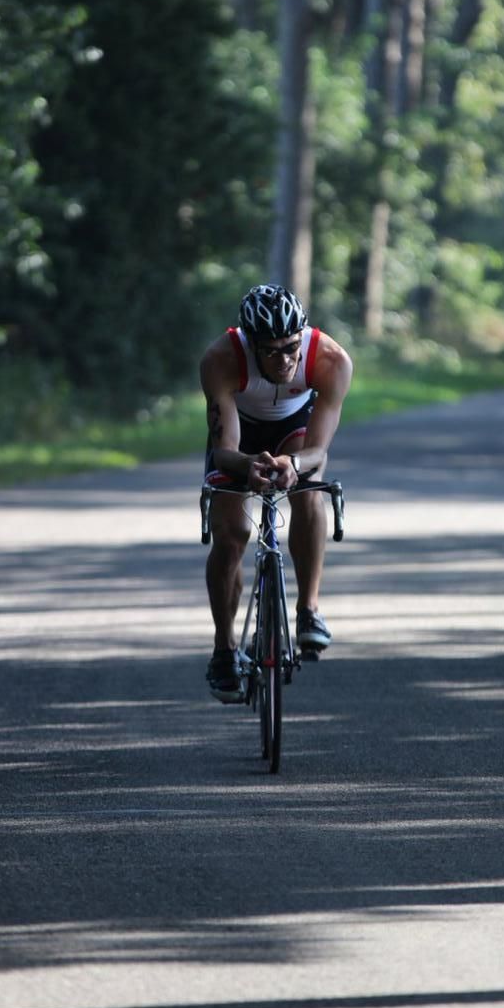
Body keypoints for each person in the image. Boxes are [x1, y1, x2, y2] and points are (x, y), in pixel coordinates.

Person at [200, 284, 353, 702]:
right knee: (231, 536)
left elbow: (318, 451)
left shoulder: (331, 360)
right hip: (240, 436)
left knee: (308, 493)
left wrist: (294, 465)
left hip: (296, 431)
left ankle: (309, 609)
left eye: (291, 348)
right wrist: (248, 467)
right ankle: (224, 648)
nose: (285, 360)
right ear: (251, 344)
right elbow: (225, 451)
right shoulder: (221, 359)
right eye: (271, 351)